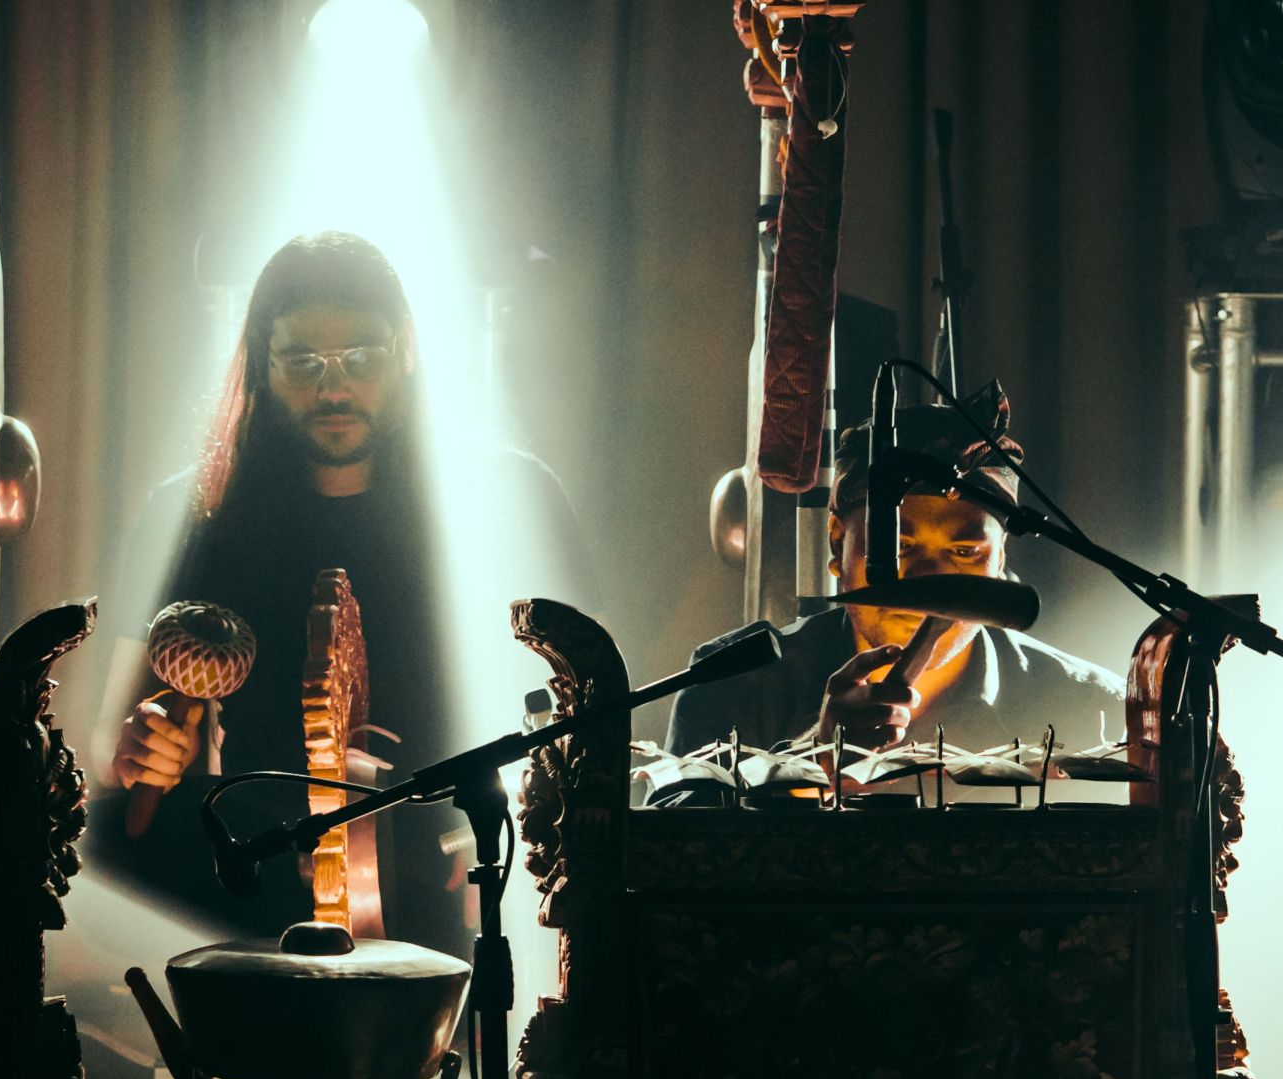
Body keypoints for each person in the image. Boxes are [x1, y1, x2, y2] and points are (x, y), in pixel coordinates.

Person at [91, 231, 594, 954]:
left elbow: (590, 725)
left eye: (361, 357)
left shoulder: (510, 502)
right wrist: (140, 749)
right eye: (302, 363)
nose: (333, 388)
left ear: (406, 347)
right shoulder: (198, 518)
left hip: (458, 900)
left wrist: (501, 826)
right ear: (260, 364)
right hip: (247, 910)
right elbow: (113, 748)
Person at [666, 386, 1123, 761]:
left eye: (964, 552)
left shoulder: (1093, 710)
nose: (928, 579)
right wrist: (816, 758)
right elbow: (681, 840)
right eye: (898, 547)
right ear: (837, 542)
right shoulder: (731, 686)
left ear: (999, 559)